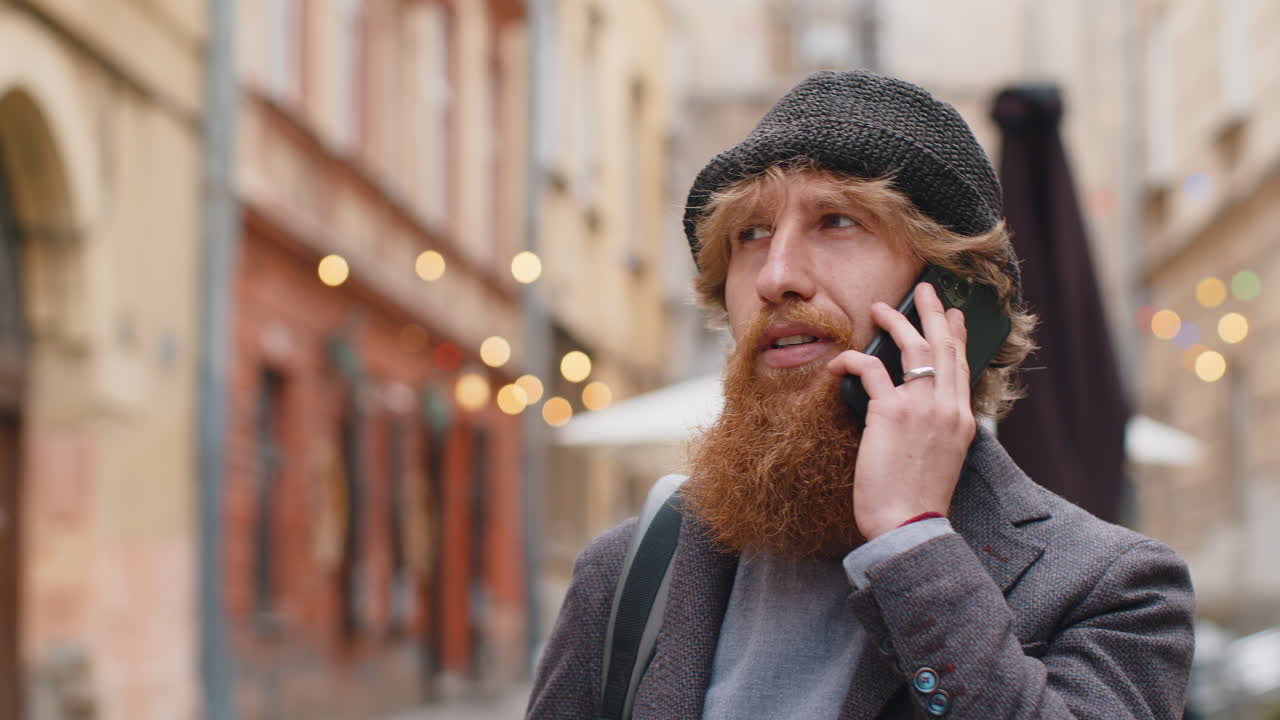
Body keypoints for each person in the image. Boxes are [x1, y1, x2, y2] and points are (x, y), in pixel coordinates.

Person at [527, 70, 1194, 719]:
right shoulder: (627, 575)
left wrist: (913, 543)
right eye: (750, 234)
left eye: (837, 221)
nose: (776, 276)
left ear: (956, 295)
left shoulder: (1114, 588)